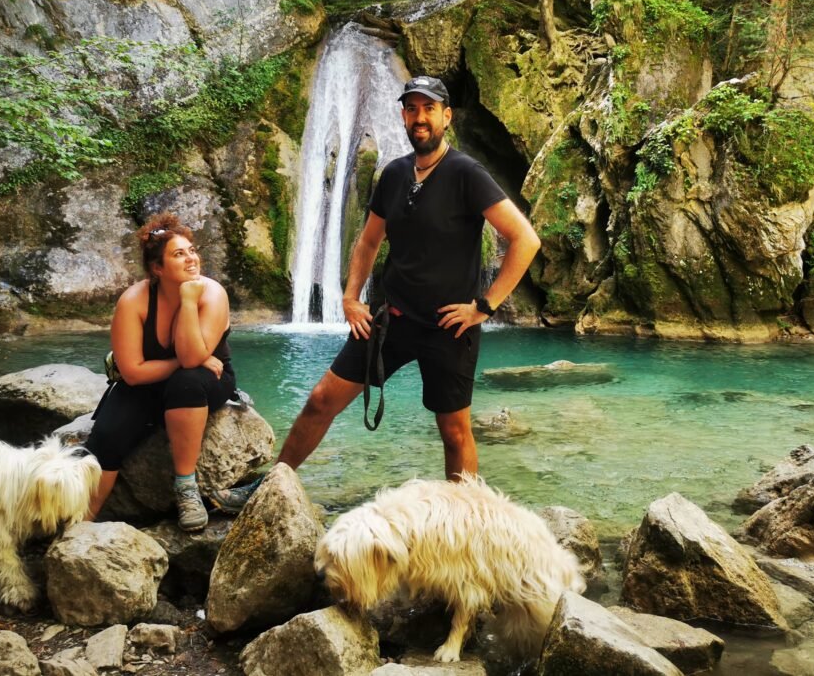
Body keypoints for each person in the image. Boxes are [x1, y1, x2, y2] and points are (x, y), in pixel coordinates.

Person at [212, 75, 541, 513]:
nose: (419, 117)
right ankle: (266, 489)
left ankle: (469, 521)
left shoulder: (466, 174)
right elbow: (368, 242)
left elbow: (525, 239)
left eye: (428, 108)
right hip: (391, 321)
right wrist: (350, 298)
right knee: (320, 401)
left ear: (446, 116)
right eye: (411, 108)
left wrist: (484, 306)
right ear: (404, 116)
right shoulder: (394, 174)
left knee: (455, 431)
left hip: (449, 326)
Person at [85, 212, 236, 531]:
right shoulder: (134, 301)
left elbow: (193, 358)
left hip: (207, 382)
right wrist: (185, 362)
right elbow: (134, 373)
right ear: (157, 268)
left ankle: (185, 487)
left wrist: (188, 300)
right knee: (107, 435)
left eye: (192, 250)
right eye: (179, 254)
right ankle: (81, 519)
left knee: (187, 382)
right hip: (146, 384)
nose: (191, 258)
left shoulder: (211, 293)